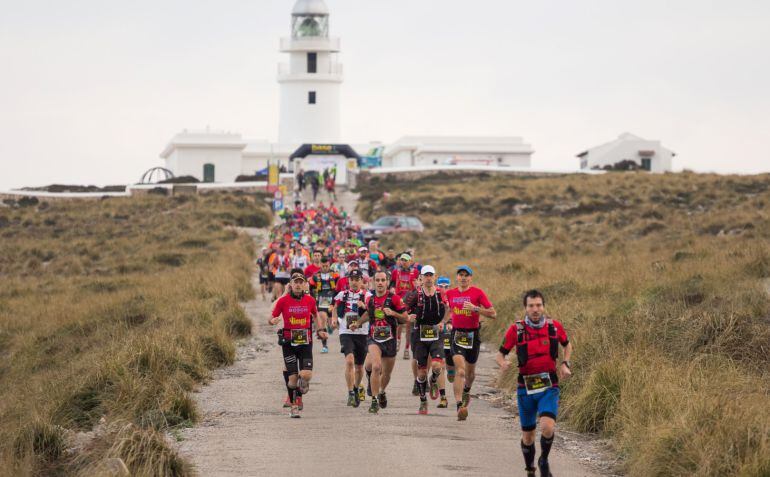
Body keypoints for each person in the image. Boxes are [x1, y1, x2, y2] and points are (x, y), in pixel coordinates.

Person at [497, 290, 572, 477]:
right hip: (525, 388)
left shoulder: (554, 327)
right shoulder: (517, 329)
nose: (535, 309)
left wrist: (565, 363)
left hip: (549, 386)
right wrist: (503, 363)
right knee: (528, 436)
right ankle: (530, 467)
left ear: (543, 306)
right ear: (526, 308)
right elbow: (501, 353)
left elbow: (567, 345)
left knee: (547, 427)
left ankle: (544, 460)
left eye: (538, 305)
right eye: (531, 306)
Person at [269, 270, 328, 418]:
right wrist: (273, 321)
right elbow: (272, 317)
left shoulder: (310, 300)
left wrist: (320, 329)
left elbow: (315, 314)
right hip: (288, 343)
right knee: (292, 379)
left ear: (305, 285)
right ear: (291, 284)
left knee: (306, 375)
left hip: (305, 342)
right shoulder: (283, 301)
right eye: (296, 282)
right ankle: (294, 406)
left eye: (301, 282)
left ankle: (303, 383)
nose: (298, 284)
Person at [349, 270, 409, 413]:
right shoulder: (370, 299)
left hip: (390, 340)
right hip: (374, 338)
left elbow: (405, 318)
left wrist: (393, 313)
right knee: (376, 367)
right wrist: (357, 323)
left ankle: (381, 391)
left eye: (383, 280)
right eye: (378, 280)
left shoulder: (394, 299)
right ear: (373, 282)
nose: (380, 283)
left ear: (387, 282)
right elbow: (368, 315)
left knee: (387, 374)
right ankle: (374, 400)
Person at [444, 265, 496, 421]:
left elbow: (493, 313)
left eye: (466, 275)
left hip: (473, 335)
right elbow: (447, 310)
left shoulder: (477, 293)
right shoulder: (450, 293)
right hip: (457, 334)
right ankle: (460, 405)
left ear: (470, 278)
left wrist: (476, 309)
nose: (463, 277)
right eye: (461, 275)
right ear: (457, 277)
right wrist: (444, 322)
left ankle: (467, 389)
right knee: (461, 371)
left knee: (471, 374)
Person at [406, 265, 447, 415]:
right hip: (419, 334)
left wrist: (444, 321)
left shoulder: (441, 293)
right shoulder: (415, 295)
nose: (428, 278)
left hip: (436, 333)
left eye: (431, 275)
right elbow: (403, 309)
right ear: (421, 278)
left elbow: (449, 308)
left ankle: (434, 380)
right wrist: (408, 317)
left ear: (435, 277)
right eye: (426, 275)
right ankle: (423, 400)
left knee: (437, 366)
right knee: (421, 373)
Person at [331, 269, 370, 407]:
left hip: (362, 333)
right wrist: (334, 318)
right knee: (349, 361)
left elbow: (373, 313)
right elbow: (334, 307)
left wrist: (364, 306)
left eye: (357, 279)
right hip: (346, 332)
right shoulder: (343, 294)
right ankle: (350, 393)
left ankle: (356, 386)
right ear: (348, 281)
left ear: (361, 281)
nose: (354, 282)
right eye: (352, 279)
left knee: (359, 368)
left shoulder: (367, 295)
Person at [391, 253, 420, 360]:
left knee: (408, 325)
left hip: (410, 301)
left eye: (406, 260)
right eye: (402, 260)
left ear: (410, 261)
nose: (404, 262)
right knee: (399, 323)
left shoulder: (415, 272)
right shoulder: (396, 271)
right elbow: (391, 284)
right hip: (398, 300)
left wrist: (417, 287)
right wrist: (392, 289)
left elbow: (419, 284)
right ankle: (398, 340)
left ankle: (407, 348)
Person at [308, 257, 340, 353]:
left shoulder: (335, 275)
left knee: (333, 325)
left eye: (327, 266)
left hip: (332, 303)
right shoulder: (315, 276)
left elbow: (339, 288)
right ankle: (324, 346)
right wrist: (313, 299)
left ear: (329, 265)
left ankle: (330, 328)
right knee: (322, 319)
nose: (325, 268)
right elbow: (309, 288)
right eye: (323, 266)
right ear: (320, 265)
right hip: (321, 302)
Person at [436, 275, 452, 408]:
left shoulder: (453, 297)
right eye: (440, 286)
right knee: (440, 364)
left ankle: (450, 372)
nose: (443, 289)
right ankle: (443, 397)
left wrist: (451, 323)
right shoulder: (434, 296)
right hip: (437, 334)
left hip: (451, 335)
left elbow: (457, 312)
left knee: (451, 371)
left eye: (446, 286)